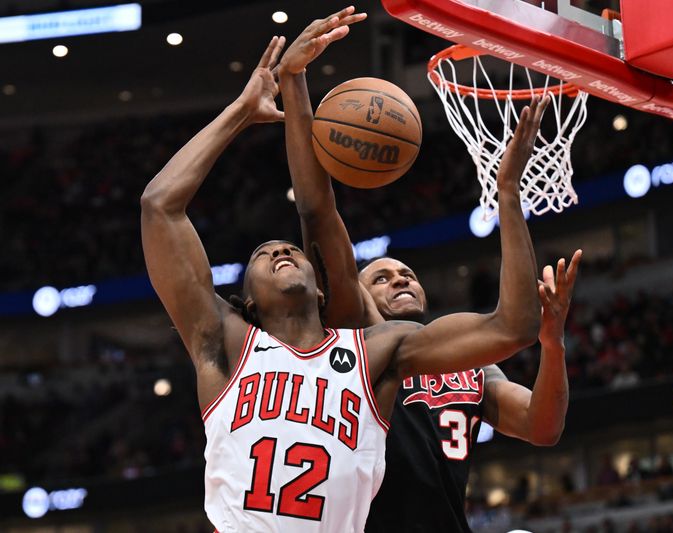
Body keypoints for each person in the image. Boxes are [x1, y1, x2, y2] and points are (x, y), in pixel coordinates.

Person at [141, 9, 542, 532]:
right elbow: (159, 207)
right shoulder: (226, 344)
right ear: (251, 303)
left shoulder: (376, 351)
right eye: (266, 253)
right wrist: (242, 110)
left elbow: (512, 327)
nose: (282, 251)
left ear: (322, 279)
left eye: (292, 249)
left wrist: (508, 198)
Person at [278, 8, 576, 531]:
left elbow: (542, 426)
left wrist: (551, 346)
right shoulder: (360, 338)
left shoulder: (468, 366)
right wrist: (294, 80)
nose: (401, 279)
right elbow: (316, 211)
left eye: (407, 274)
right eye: (383, 277)